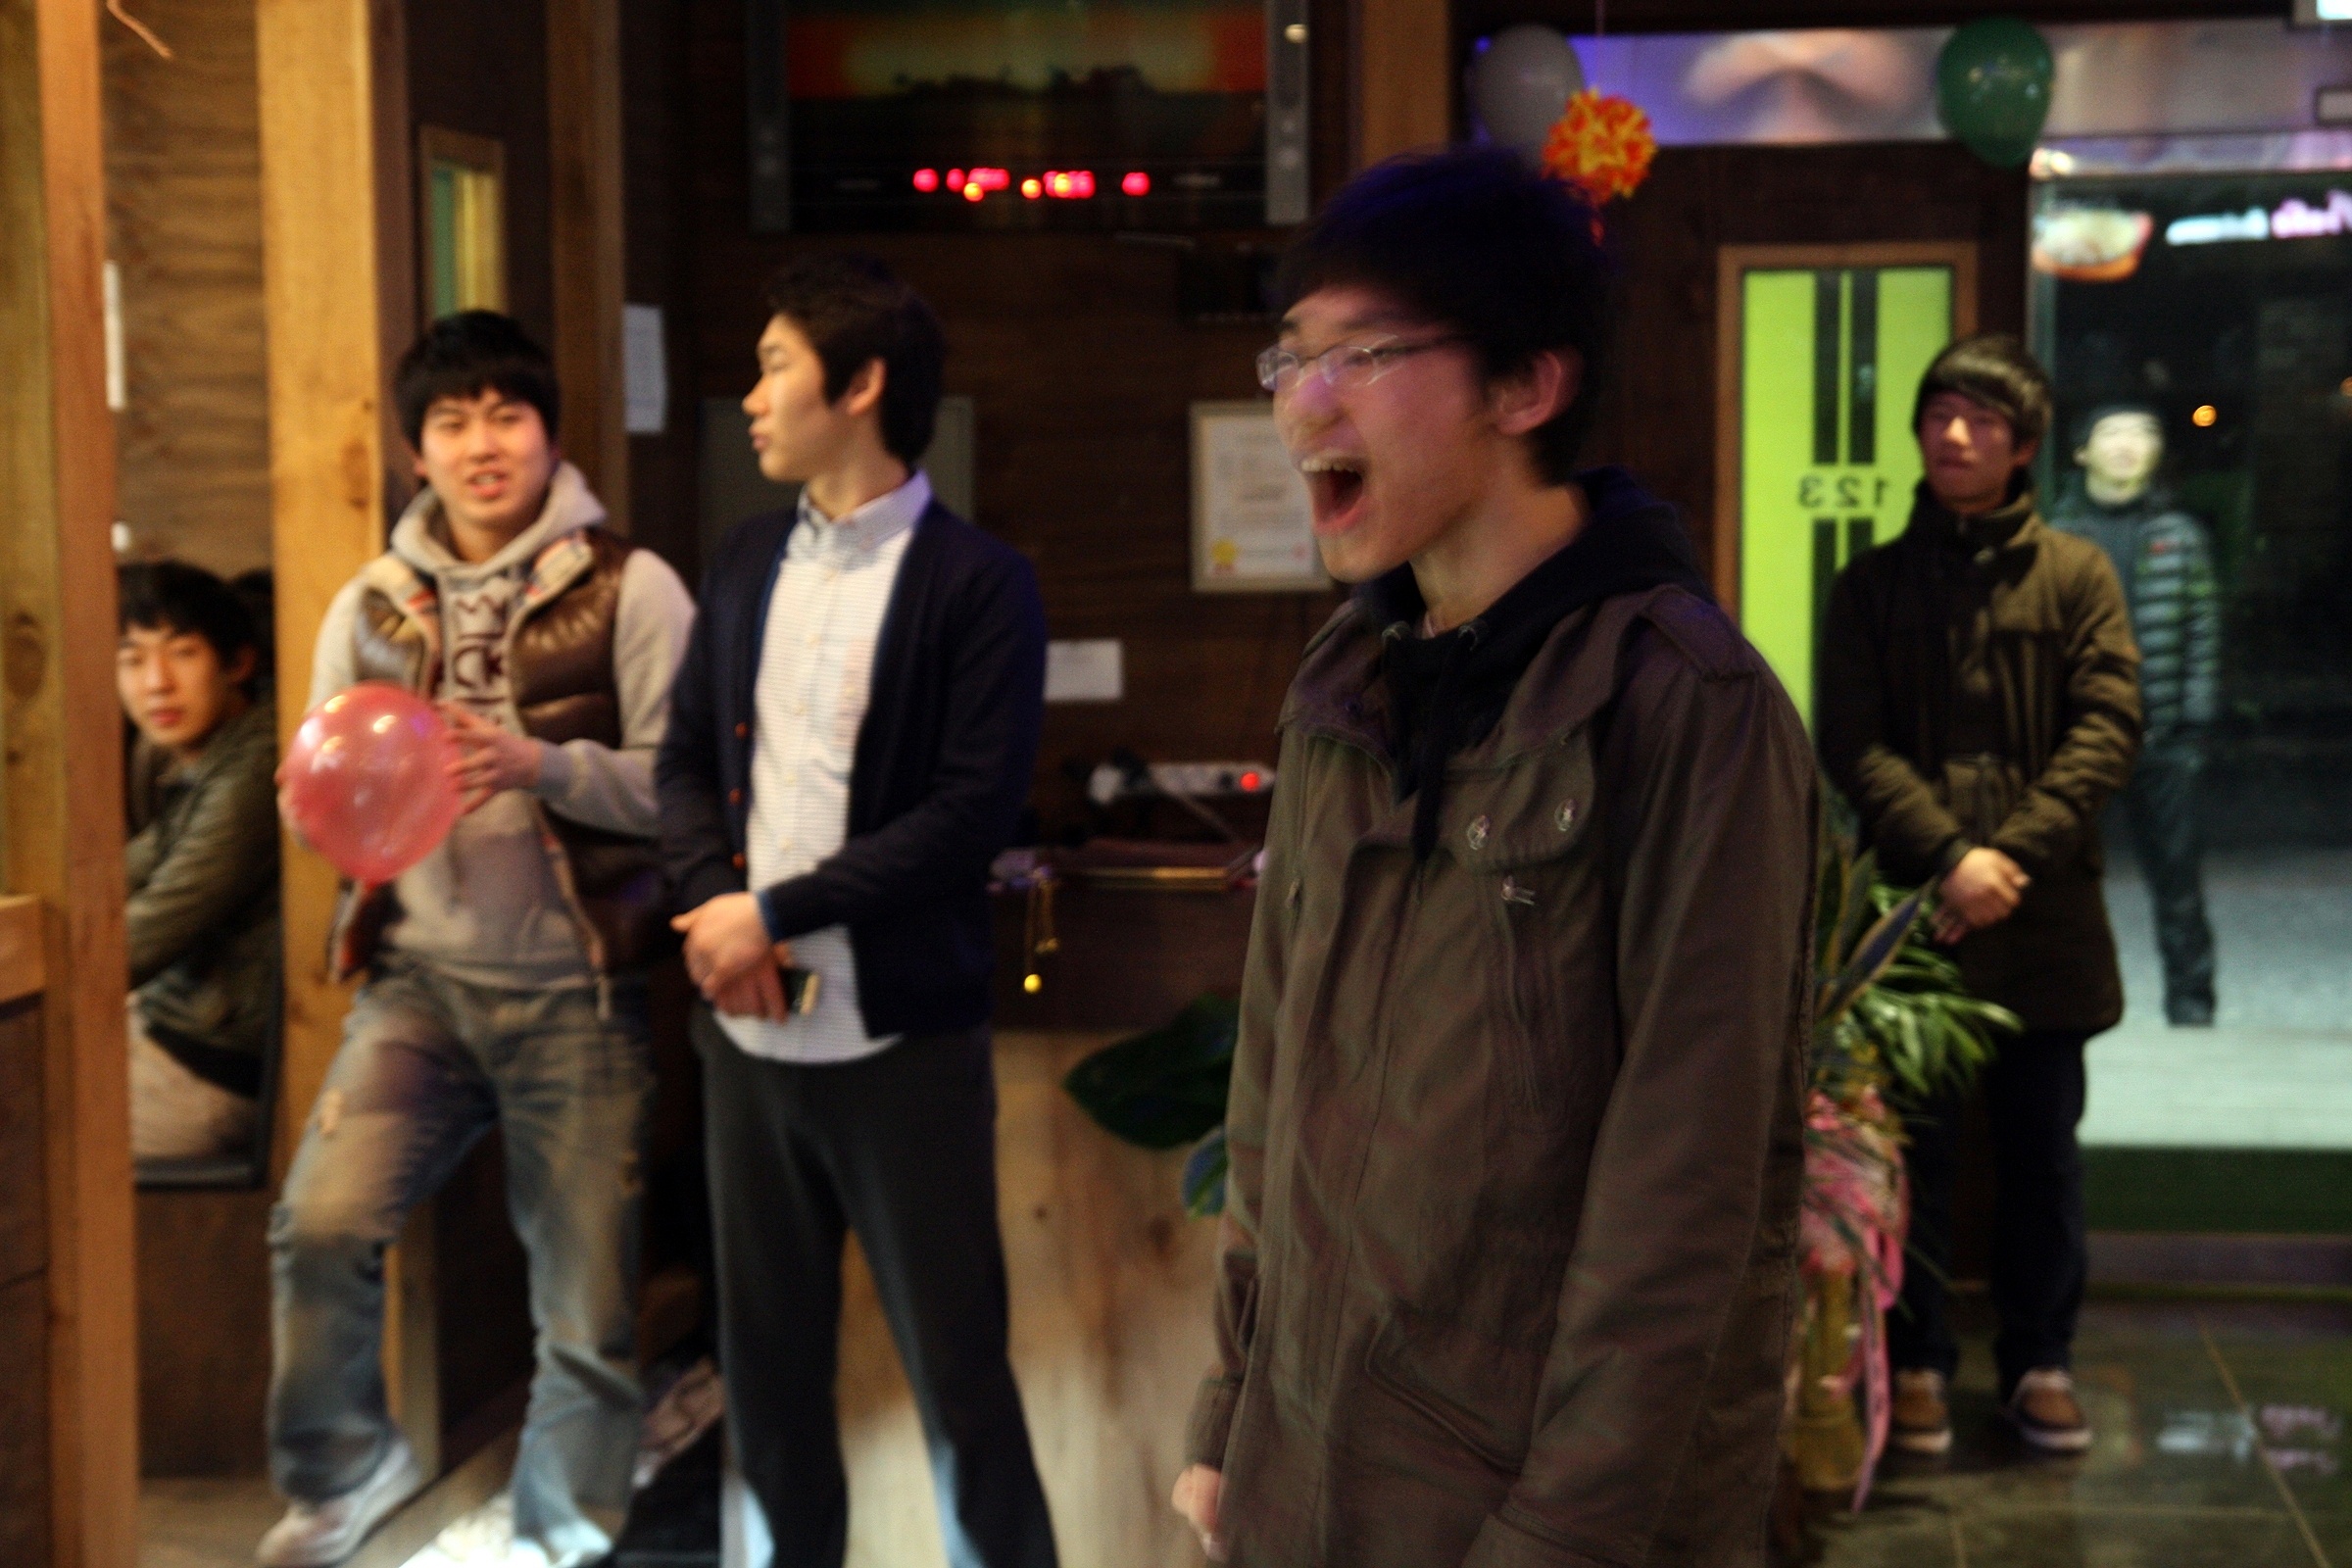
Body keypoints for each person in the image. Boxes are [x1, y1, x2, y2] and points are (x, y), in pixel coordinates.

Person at [1169, 147, 1818, 1568]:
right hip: (1306, 1464)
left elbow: (1687, 1197)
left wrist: (1555, 1537)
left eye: (1362, 356)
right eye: (1291, 358)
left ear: (1526, 386)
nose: (1303, 404)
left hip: (1531, 1507)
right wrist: (1232, 1410)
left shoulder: (1686, 705)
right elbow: (1272, 1080)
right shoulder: (1346, 683)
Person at [262, 311, 695, 1568]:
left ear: (550, 434)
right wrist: (309, 808)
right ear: (418, 452)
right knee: (320, 1225)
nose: (482, 444)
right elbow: (327, 782)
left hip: (581, 991)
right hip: (419, 989)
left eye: (507, 415)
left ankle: (560, 1534)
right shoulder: (369, 604)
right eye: (452, 423)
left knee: (587, 1307)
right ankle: (348, 1467)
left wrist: (539, 763)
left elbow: (686, 791)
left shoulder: (632, 586)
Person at [656, 255, 1055, 1568]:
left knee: (961, 1384)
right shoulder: (743, 557)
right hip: (746, 1042)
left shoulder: (979, 581)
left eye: (776, 365)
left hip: (904, 1047)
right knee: (766, 1387)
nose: (752, 397)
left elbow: (968, 817)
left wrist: (772, 911)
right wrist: (716, 908)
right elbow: (681, 766)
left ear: (862, 384)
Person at [1818, 335, 2142, 1457]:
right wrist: (1952, 857)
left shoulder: (2078, 575)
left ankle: (2042, 1360)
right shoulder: (1871, 582)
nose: (1955, 435)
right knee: (1915, 1152)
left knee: (2042, 1154)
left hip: (2043, 917)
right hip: (1918, 916)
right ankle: (1914, 1362)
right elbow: (1852, 741)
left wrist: (2010, 855)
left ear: (2024, 446)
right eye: (1939, 413)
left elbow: (2108, 727)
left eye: (1983, 420)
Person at [2048, 404, 2220, 1026]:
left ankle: (2192, 1008)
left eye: (2142, 433)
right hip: (2076, 735)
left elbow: (2202, 632)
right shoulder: (2054, 536)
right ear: (2081, 453)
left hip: (2162, 735)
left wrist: (2193, 724)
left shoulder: (2180, 535)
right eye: (2112, 433)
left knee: (2178, 878)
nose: (2127, 444)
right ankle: (2060, 1007)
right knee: (2058, 878)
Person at [118, 561, 279, 1164]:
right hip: (166, 1033)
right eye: (132, 660)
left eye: (182, 653)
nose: (156, 683)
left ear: (237, 663)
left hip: (207, 1073)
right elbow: (117, 877)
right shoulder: (208, 759)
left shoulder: (254, 771)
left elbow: (151, 930)